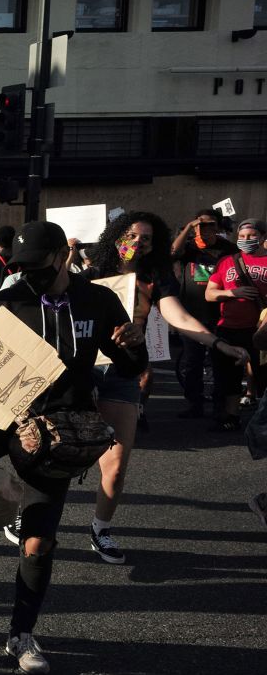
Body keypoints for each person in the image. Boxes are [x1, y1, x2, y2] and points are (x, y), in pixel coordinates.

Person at [0, 221, 146, 675]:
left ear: (62, 257)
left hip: (58, 422)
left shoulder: (99, 300)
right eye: (20, 267)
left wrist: (133, 346)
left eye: (37, 265)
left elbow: (128, 363)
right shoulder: (11, 298)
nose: (28, 274)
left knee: (38, 543)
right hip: (2, 404)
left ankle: (21, 634)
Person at [79, 212, 248, 564]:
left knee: (117, 463)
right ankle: (32, 513)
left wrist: (217, 344)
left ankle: (101, 528)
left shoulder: (154, 278)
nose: (138, 243)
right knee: (63, 449)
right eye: (132, 235)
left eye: (147, 239)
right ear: (115, 236)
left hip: (123, 373)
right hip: (82, 371)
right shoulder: (90, 275)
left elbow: (178, 317)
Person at [170, 210, 234, 418]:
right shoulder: (189, 248)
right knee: (192, 362)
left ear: (217, 226)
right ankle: (194, 404)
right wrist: (189, 228)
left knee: (220, 361)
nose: (204, 229)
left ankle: (219, 404)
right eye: (200, 225)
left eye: (209, 224)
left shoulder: (227, 249)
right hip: (192, 314)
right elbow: (172, 252)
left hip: (220, 314)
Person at [205, 216, 266, 431]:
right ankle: (231, 416)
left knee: (263, 374)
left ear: (262, 237)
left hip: (260, 330)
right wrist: (233, 292)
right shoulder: (227, 261)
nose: (246, 239)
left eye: (251, 236)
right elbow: (209, 294)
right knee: (228, 376)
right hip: (228, 328)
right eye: (241, 236)